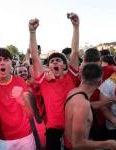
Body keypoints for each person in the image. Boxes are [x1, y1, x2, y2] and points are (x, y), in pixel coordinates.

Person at [29, 12, 80, 150]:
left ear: (65, 65)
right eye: (52, 61)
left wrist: (76, 27)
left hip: (74, 127)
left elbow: (75, 52)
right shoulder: (44, 81)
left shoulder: (71, 77)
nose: (55, 62)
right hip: (53, 130)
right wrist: (32, 32)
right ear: (49, 66)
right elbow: (34, 57)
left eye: (58, 60)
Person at [64, 63, 116, 150]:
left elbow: (80, 109)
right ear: (100, 82)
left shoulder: (73, 92)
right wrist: (108, 144)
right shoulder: (83, 104)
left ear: (81, 77)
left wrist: (103, 102)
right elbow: (77, 144)